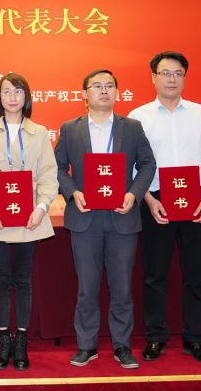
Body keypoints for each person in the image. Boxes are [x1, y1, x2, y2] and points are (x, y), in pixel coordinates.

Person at [56, 69, 156, 369]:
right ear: (84, 94)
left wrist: (134, 194)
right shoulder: (70, 129)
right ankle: (86, 345)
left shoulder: (132, 127)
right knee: (87, 287)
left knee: (122, 287)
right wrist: (73, 193)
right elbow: (57, 168)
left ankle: (122, 345)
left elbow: (148, 164)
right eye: (97, 86)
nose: (103, 91)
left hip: (121, 218)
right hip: (85, 218)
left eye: (109, 86)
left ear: (117, 92)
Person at [128, 51, 201, 364]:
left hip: (197, 200)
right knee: (155, 274)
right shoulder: (138, 116)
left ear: (184, 77)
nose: (171, 79)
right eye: (165, 73)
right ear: (153, 77)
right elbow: (134, 164)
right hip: (156, 200)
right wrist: (148, 199)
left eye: (178, 73)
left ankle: (195, 338)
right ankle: (155, 337)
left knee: (196, 275)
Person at [0, 73, 58, 371]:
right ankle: (3, 340)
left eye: (18, 91)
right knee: (0, 280)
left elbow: (48, 175)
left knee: (22, 280)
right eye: (6, 91)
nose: (12, 97)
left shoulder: (39, 133)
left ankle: (21, 342)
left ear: (26, 97)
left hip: (29, 217)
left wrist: (42, 207)